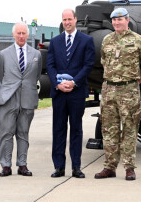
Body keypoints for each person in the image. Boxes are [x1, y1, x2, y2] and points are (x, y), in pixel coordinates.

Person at [95, 8, 141, 181]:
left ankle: (129, 168)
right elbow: (104, 62)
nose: (117, 23)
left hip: (129, 90)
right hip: (109, 89)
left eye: (120, 20)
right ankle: (109, 167)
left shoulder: (138, 40)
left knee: (129, 129)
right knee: (109, 129)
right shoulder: (107, 40)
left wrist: (134, 82)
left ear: (127, 20)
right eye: (114, 20)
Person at [47, 9, 95, 178]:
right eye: (64, 19)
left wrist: (74, 82)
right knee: (58, 130)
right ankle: (59, 167)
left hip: (76, 92)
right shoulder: (55, 42)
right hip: (59, 93)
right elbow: (50, 66)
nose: (67, 22)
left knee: (76, 130)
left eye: (70, 19)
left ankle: (76, 167)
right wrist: (57, 84)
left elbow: (88, 64)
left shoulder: (86, 40)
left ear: (76, 20)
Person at [0, 22, 42, 177]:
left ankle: (22, 164)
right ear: (13, 35)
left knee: (23, 133)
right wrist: (11, 88)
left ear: (27, 35)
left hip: (27, 98)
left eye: (24, 33)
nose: (21, 36)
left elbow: (36, 76)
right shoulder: (4, 54)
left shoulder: (36, 54)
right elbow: (2, 75)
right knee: (6, 132)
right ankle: (6, 165)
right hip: (8, 97)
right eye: (19, 33)